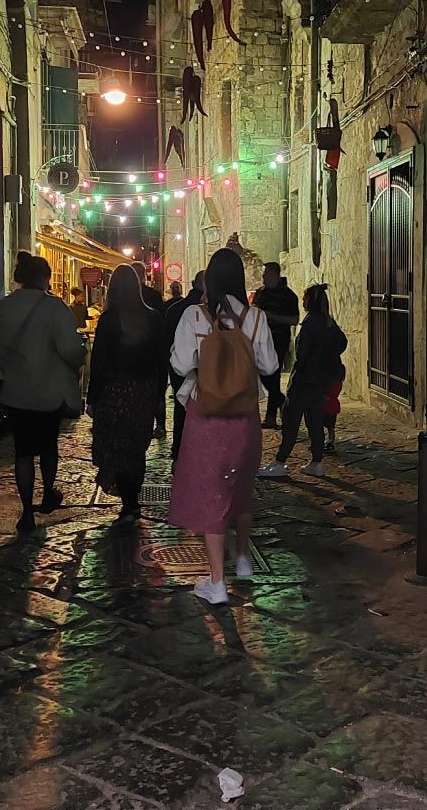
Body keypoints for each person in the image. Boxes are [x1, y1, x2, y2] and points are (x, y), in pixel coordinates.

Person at [168, 249, 278, 604]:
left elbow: (182, 363)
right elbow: (270, 366)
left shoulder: (193, 316)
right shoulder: (257, 317)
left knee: (211, 492)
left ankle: (216, 582)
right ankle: (243, 558)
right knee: (242, 484)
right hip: (245, 414)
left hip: (207, 413)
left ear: (208, 280)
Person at [0, 251, 86, 535]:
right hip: (48, 391)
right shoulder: (55, 308)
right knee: (48, 446)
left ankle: (26, 512)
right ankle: (47, 494)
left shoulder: (4, 307)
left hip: (16, 390)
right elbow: (71, 351)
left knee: (22, 451)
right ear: (45, 279)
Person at [87, 264, 165, 529]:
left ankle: (130, 501)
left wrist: (92, 398)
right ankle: (133, 500)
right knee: (136, 446)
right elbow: (160, 359)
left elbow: (99, 361)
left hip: (117, 390)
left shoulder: (109, 320)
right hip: (144, 391)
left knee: (116, 446)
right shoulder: (154, 317)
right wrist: (158, 392)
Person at [259, 283, 347, 480]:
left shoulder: (309, 324)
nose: (302, 301)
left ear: (310, 300)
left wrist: (311, 362)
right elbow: (342, 343)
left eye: (305, 297)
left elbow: (302, 353)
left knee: (291, 421)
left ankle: (280, 461)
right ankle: (317, 461)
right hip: (322, 381)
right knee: (315, 420)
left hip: (305, 380)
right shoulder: (328, 322)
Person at [163, 270, 205, 465]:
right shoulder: (215, 310)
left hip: (179, 365)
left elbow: (166, 338)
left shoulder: (175, 308)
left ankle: (178, 448)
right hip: (204, 369)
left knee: (181, 407)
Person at [252, 262, 299, 428]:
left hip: (278, 339)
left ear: (274, 275)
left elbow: (294, 320)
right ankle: (280, 400)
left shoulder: (288, 296)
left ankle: (271, 417)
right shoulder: (260, 293)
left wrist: (272, 317)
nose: (263, 277)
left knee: (273, 374)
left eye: (266, 273)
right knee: (260, 372)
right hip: (259, 340)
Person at [132, 261, 167, 438]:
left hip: (134, 352)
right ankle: (159, 425)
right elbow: (161, 322)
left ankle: (138, 423)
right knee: (157, 392)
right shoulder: (153, 295)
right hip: (153, 350)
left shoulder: (125, 295)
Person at [322, 345, 346, 452]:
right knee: (331, 427)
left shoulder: (329, 382)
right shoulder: (338, 382)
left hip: (325, 406)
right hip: (333, 406)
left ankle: (325, 442)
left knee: (321, 425)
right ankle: (330, 442)